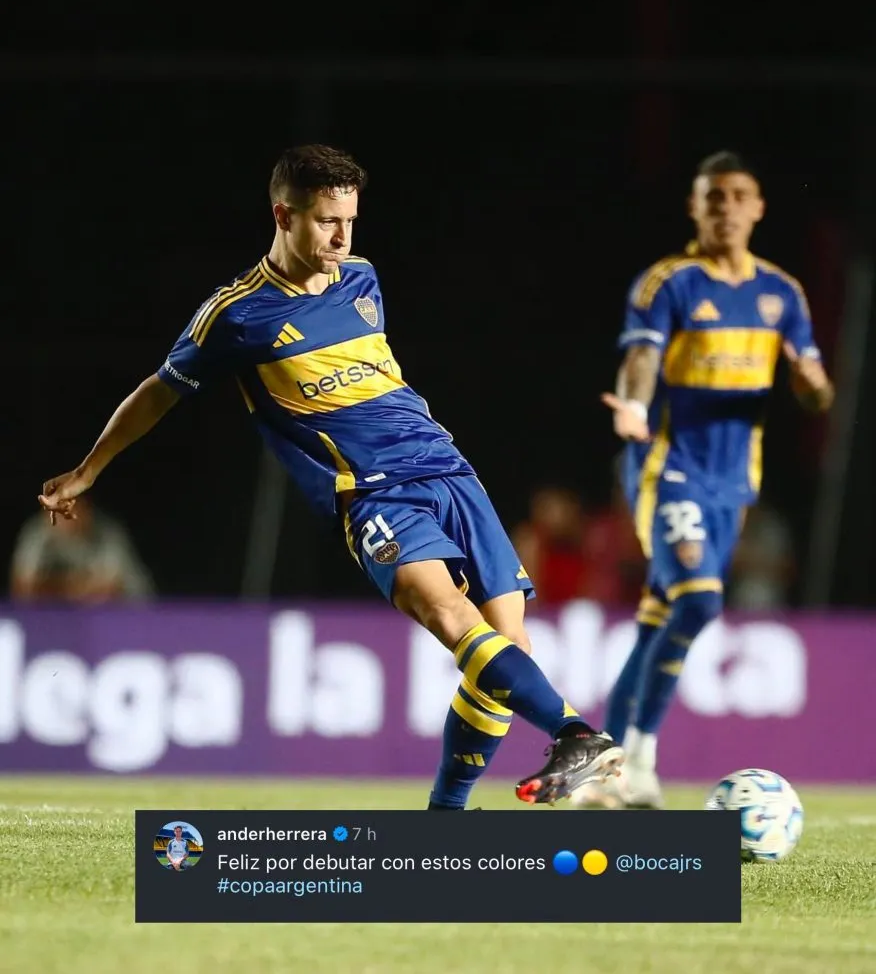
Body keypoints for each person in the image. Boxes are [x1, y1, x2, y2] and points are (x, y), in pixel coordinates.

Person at [38, 144, 623, 809]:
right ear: (283, 215)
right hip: (372, 492)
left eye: (350, 220)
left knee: (505, 649)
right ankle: (575, 735)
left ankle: (453, 810)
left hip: (448, 469)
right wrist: (89, 469)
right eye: (326, 221)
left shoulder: (361, 278)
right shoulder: (237, 314)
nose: (342, 237)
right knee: (449, 614)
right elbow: (159, 391)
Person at [572, 150, 834, 810]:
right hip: (670, 468)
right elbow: (640, 358)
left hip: (733, 484)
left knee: (660, 614)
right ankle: (640, 762)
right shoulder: (670, 283)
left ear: (758, 207)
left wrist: (812, 385)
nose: (724, 208)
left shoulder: (783, 294)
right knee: (698, 600)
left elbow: (818, 393)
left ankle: (602, 771)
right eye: (711, 197)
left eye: (736, 195)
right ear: (695, 208)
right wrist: (632, 406)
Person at [10, 496, 155, 603]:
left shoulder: (107, 533)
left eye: (75, 506)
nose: (67, 516)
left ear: (87, 510)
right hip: (60, 617)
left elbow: (111, 590)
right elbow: (23, 588)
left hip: (126, 613)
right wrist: (71, 588)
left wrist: (57, 587)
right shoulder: (38, 533)